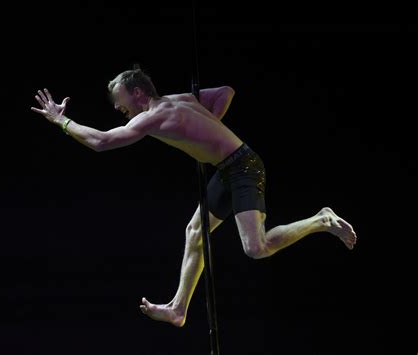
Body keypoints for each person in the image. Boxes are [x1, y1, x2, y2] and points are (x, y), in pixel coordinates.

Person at [31, 66, 357, 328]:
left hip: (244, 168)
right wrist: (211, 126)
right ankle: (177, 309)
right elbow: (225, 92)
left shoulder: (152, 117)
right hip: (227, 169)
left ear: (139, 93)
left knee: (256, 248)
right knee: (195, 231)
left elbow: (102, 142)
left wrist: (61, 121)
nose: (118, 108)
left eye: (120, 101)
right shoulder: (183, 98)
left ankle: (320, 219)